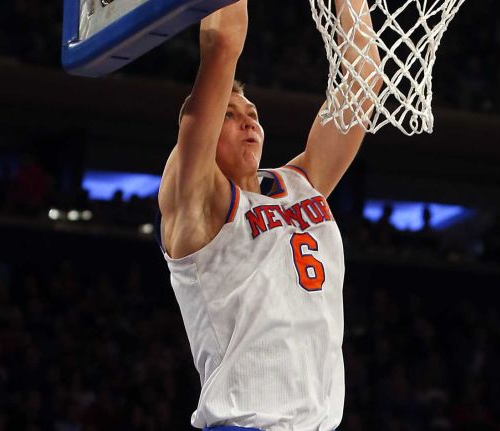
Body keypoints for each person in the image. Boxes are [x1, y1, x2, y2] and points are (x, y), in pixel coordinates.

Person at [154, 0, 381, 429]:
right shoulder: (197, 202)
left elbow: (364, 81)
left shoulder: (301, 182)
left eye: (253, 114)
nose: (248, 122)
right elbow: (224, 41)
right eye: (230, 114)